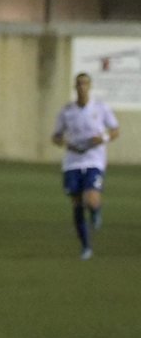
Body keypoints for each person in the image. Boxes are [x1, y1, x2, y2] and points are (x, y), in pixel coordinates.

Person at [52, 72, 120, 260]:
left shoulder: (100, 107)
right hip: (72, 163)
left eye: (85, 83)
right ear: (75, 87)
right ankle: (85, 245)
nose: (82, 87)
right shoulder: (67, 111)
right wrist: (64, 142)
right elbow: (55, 136)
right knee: (76, 204)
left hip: (93, 160)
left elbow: (115, 129)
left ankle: (96, 210)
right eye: (79, 84)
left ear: (89, 87)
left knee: (90, 200)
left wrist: (103, 138)